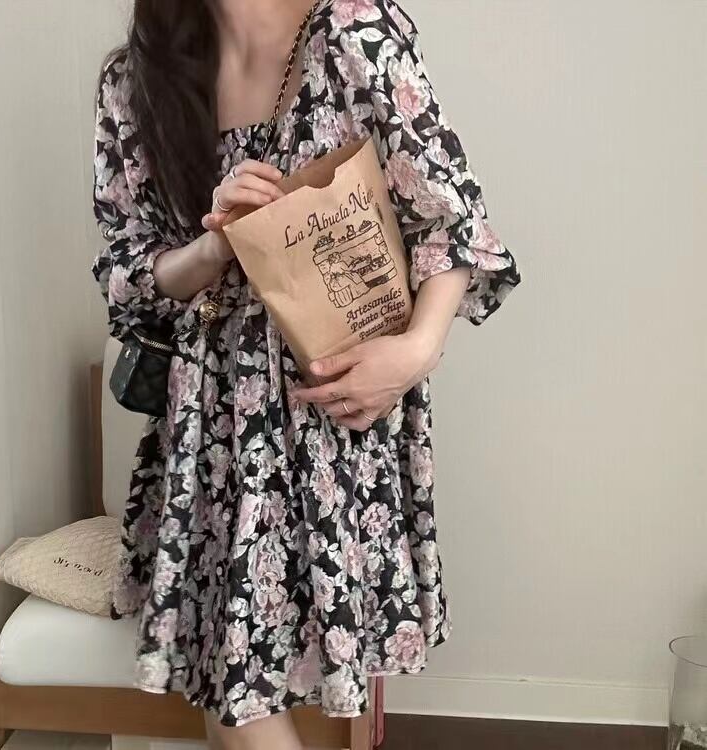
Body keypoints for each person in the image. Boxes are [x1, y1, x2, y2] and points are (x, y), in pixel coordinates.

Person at [91, 1, 521, 748]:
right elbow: (127, 274)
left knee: (247, 690)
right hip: (212, 425)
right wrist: (213, 248)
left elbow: (451, 219)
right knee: (234, 686)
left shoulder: (352, 31)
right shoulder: (137, 80)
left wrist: (417, 350)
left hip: (337, 415)